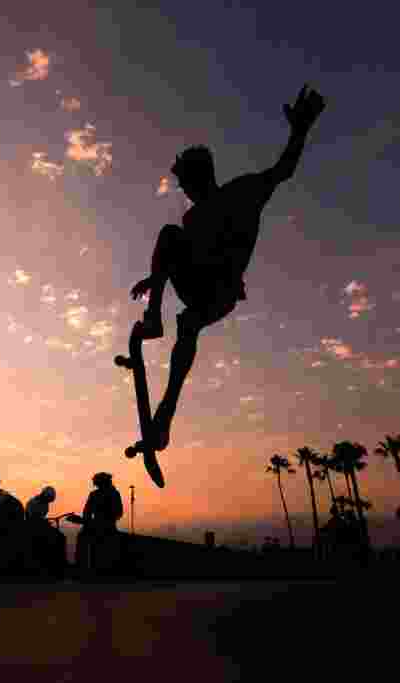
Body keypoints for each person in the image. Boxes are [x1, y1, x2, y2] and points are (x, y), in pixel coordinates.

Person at [128, 84, 327, 451]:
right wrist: (155, 277)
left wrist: (300, 130)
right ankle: (155, 325)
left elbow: (283, 170)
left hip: (219, 292)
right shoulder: (191, 218)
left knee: (187, 318)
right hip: (203, 286)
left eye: (185, 184)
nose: (184, 192)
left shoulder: (243, 192)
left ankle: (166, 412)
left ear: (197, 179)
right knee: (171, 240)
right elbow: (176, 255)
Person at [75, 473, 124, 574]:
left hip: (104, 527)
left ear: (100, 482)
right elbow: (119, 513)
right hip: (106, 526)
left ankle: (81, 568)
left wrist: (87, 523)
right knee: (84, 536)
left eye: (96, 482)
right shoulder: (114, 493)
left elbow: (87, 512)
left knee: (83, 537)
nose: (94, 484)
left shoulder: (96, 494)